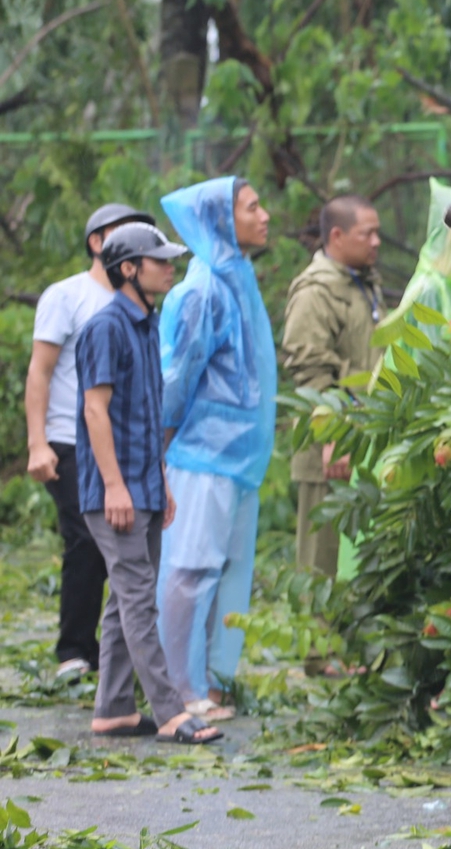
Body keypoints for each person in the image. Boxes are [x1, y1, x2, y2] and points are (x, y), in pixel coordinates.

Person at [76, 223, 222, 746]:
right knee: (140, 600)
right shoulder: (105, 327)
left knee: (125, 601)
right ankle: (169, 711)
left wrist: (160, 482)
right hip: (114, 493)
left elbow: (145, 413)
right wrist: (115, 487)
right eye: (158, 260)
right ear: (129, 269)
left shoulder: (146, 325)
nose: (170, 267)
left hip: (144, 486)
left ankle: (113, 709)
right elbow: (96, 411)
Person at [155, 178, 277, 723]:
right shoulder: (202, 289)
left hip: (235, 459)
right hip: (201, 455)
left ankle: (211, 683)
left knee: (225, 571)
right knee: (190, 570)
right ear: (223, 219)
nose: (266, 215)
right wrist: (159, 448)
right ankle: (178, 688)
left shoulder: (236, 278)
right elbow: (176, 380)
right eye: (252, 207)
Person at [26, 203, 157, 683]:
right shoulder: (68, 296)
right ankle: (75, 651)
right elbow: (40, 371)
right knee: (86, 540)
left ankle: (110, 656)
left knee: (122, 548)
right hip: (69, 436)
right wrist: (37, 443)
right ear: (98, 242)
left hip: (122, 443)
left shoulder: (140, 303)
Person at [281, 195, 383, 581]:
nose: (376, 242)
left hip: (363, 443)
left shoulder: (360, 283)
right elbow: (310, 370)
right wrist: (332, 436)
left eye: (378, 233)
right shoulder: (315, 291)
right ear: (337, 236)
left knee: (357, 562)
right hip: (331, 449)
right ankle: (317, 641)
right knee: (321, 564)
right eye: (367, 233)